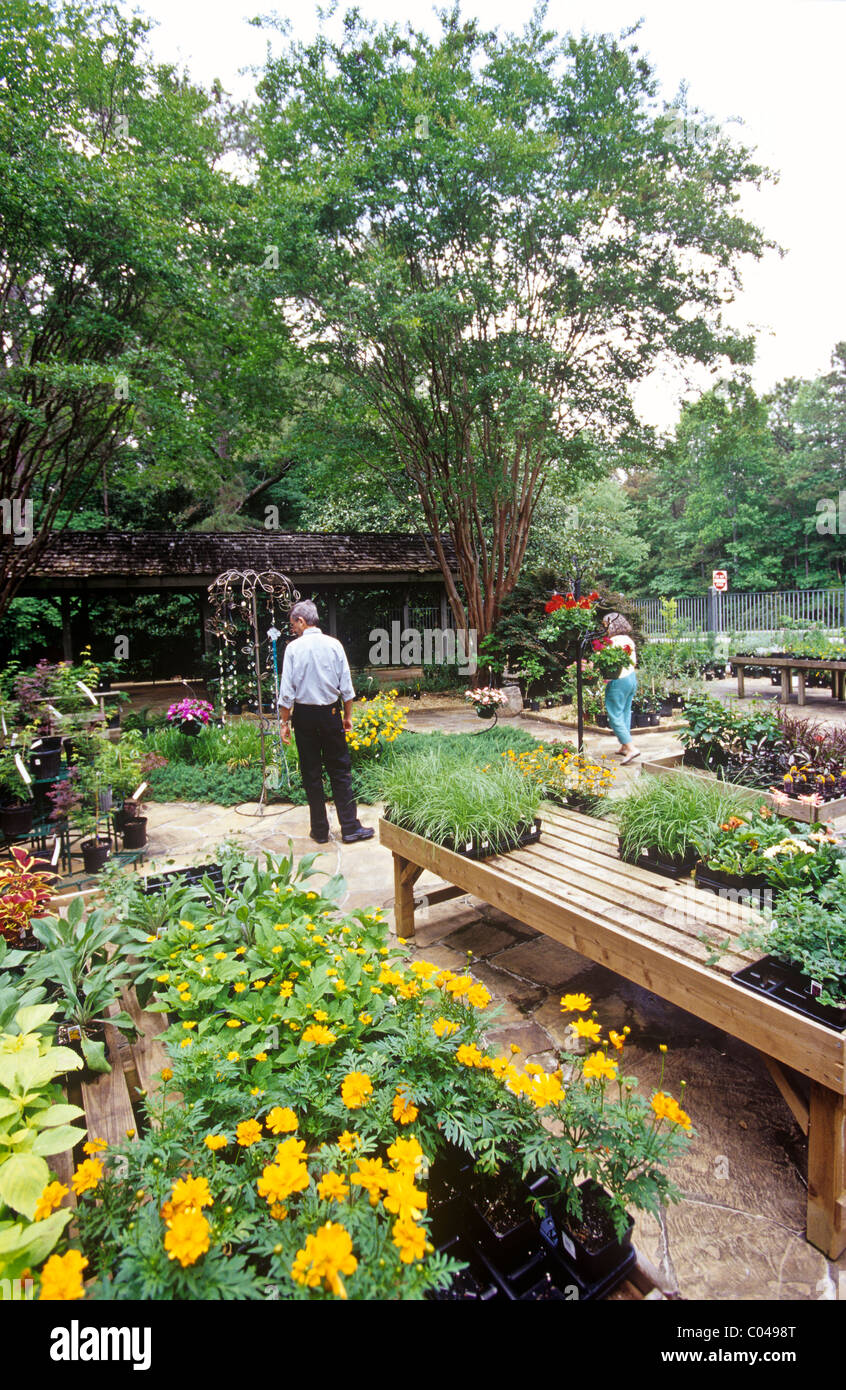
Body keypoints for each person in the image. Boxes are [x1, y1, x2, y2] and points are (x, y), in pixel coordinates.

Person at [278, 599, 374, 844]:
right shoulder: (334, 645)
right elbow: (347, 689)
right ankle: (350, 828)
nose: (293, 630)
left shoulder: (293, 649)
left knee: (311, 773)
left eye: (293, 624)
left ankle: (320, 830)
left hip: (304, 716)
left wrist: (284, 723)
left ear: (302, 621)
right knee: (340, 771)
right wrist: (348, 717)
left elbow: (286, 692)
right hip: (331, 715)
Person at [601, 612, 639, 765]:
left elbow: (608, 663)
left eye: (605, 625)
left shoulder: (613, 641)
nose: (604, 628)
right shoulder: (628, 640)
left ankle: (631, 748)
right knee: (624, 712)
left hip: (618, 679)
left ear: (611, 625)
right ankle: (624, 745)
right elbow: (634, 662)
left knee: (614, 715)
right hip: (631, 678)